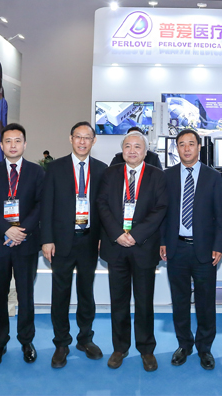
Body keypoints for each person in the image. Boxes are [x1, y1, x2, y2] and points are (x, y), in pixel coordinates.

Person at [96, 130, 168, 372]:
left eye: (138, 146)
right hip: (115, 246)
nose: (132, 150)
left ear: (145, 152)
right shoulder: (110, 173)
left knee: (144, 301)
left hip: (143, 247)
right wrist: (117, 233)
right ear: (122, 150)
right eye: (128, 146)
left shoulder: (157, 176)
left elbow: (160, 208)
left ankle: (146, 349)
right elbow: (101, 204)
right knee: (118, 300)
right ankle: (120, 347)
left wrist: (136, 235)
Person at [41, 122, 108, 368]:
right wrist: (47, 239)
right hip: (61, 241)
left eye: (87, 137)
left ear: (93, 141)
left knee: (86, 292)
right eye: (78, 137)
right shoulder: (55, 168)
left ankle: (85, 339)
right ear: (70, 139)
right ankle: (61, 342)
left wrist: (103, 237)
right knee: (60, 293)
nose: (82, 141)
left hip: (90, 240)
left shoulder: (101, 169)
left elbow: (105, 208)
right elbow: (46, 205)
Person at [159, 129, 222, 370]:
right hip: (176, 248)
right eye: (181, 144)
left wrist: (219, 245)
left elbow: (221, 215)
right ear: (176, 148)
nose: (186, 148)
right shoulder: (167, 176)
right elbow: (162, 213)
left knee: (206, 302)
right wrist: (162, 241)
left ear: (199, 147)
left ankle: (204, 348)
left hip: (204, 250)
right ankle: (184, 345)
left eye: (191, 144)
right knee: (179, 300)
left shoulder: (213, 176)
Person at [0, 123, 45, 368]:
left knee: (25, 294)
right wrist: (6, 229)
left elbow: (40, 204)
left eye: (18, 141)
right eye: (8, 141)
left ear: (25, 144)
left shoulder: (37, 172)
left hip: (26, 243)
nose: (13, 145)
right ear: (1, 145)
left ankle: (26, 341)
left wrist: (21, 231)